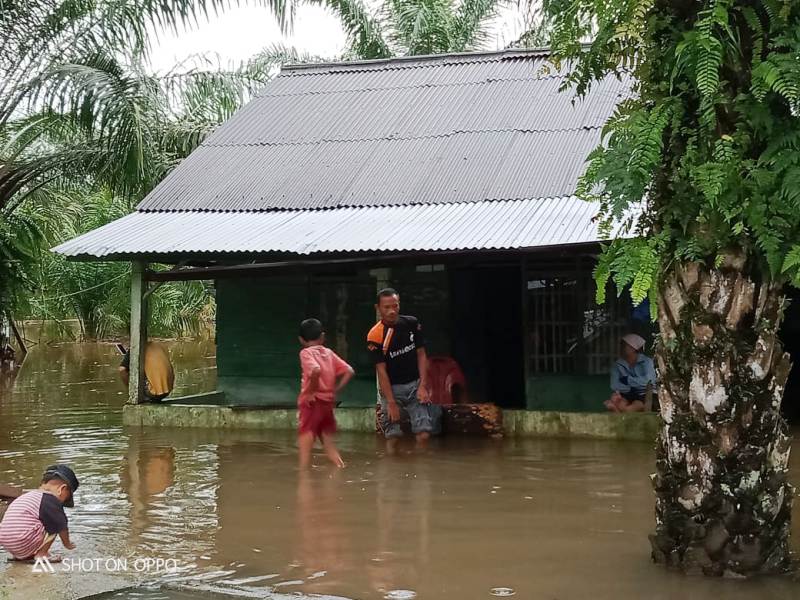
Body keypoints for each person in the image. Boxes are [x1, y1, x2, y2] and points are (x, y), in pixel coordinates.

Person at [368, 288, 441, 450]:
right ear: (377, 308)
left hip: (415, 385)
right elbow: (381, 370)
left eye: (395, 306)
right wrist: (391, 402)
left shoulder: (411, 323)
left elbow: (422, 354)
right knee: (393, 437)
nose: (392, 311)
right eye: (386, 307)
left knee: (424, 434)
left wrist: (423, 385)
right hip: (391, 390)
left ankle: (420, 469)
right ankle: (391, 469)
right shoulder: (375, 335)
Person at [297, 318, 354, 468]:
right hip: (327, 405)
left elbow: (315, 370)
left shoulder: (305, 353)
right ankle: (340, 470)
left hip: (311, 404)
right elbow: (349, 371)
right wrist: (336, 390)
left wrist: (310, 392)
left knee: (305, 453)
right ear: (322, 337)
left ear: (301, 340)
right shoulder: (328, 353)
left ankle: (303, 480)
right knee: (330, 449)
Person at [0, 465, 79, 562]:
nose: (61, 503)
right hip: (21, 541)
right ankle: (42, 555)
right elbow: (62, 526)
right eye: (65, 499)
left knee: (35, 521)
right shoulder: (50, 500)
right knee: (55, 522)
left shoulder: (28, 496)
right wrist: (67, 544)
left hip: (7, 543)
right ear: (61, 489)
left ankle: (20, 555)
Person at [605, 333, 657, 413]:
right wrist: (632, 387)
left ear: (633, 348)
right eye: (621, 346)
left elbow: (650, 381)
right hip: (628, 393)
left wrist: (628, 380)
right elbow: (615, 385)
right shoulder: (617, 365)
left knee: (635, 405)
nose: (621, 348)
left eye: (624, 346)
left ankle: (618, 411)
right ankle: (618, 410)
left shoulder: (647, 362)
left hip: (647, 393)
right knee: (617, 400)